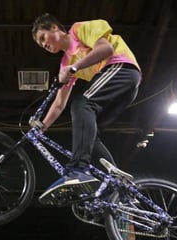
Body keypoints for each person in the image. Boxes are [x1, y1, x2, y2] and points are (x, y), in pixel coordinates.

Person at [31, 13, 142, 205]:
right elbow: (59, 103)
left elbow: (105, 48)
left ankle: (78, 169)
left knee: (82, 104)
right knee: (91, 132)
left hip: (121, 68)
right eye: (40, 45)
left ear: (55, 28)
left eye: (43, 38)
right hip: (119, 88)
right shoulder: (65, 63)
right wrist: (42, 127)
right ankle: (119, 188)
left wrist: (74, 69)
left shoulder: (78, 30)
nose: (43, 45)